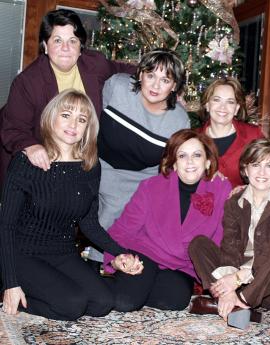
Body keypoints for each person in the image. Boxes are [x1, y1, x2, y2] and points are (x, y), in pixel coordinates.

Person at [0, 90, 142, 320]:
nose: (73, 124)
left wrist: (120, 253)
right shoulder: (26, 162)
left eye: (82, 119)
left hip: (63, 252)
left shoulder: (90, 167)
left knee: (102, 302)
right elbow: (5, 226)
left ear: (88, 128)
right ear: (51, 117)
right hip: (22, 254)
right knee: (72, 305)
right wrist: (10, 283)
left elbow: (90, 224)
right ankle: (14, 297)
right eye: (66, 115)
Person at [0, 9, 136, 186]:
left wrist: (161, 82)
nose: (66, 48)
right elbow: (13, 128)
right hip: (40, 163)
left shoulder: (95, 64)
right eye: (57, 40)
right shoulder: (28, 82)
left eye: (73, 41)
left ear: (81, 47)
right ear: (45, 46)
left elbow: (125, 70)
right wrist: (31, 146)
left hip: (83, 160)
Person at [103, 129, 231, 312]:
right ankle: (120, 285)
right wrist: (115, 259)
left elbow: (220, 239)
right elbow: (123, 229)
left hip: (182, 265)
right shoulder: (151, 187)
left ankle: (138, 285)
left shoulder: (221, 189)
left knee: (174, 301)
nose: (190, 162)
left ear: (208, 161)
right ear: (174, 163)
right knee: (125, 302)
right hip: (146, 254)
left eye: (197, 155)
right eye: (182, 155)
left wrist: (222, 279)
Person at [86, 49, 190, 263]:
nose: (155, 85)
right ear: (140, 74)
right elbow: (90, 122)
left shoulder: (179, 120)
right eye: (151, 75)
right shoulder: (117, 87)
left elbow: (175, 162)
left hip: (139, 179)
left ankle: (100, 264)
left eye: (165, 80)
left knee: (118, 214)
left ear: (174, 87)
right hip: (97, 163)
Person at [189, 138, 270, 324]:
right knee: (199, 244)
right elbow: (230, 247)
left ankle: (240, 302)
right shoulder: (234, 202)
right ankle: (228, 301)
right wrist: (230, 280)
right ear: (245, 169)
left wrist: (236, 279)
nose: (261, 172)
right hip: (237, 277)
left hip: (267, 283)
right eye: (256, 165)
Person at [198, 77, 264, 187]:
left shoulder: (254, 135)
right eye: (217, 100)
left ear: (237, 108)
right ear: (207, 105)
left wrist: (246, 190)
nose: (223, 107)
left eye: (230, 102)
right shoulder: (192, 139)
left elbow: (269, 173)